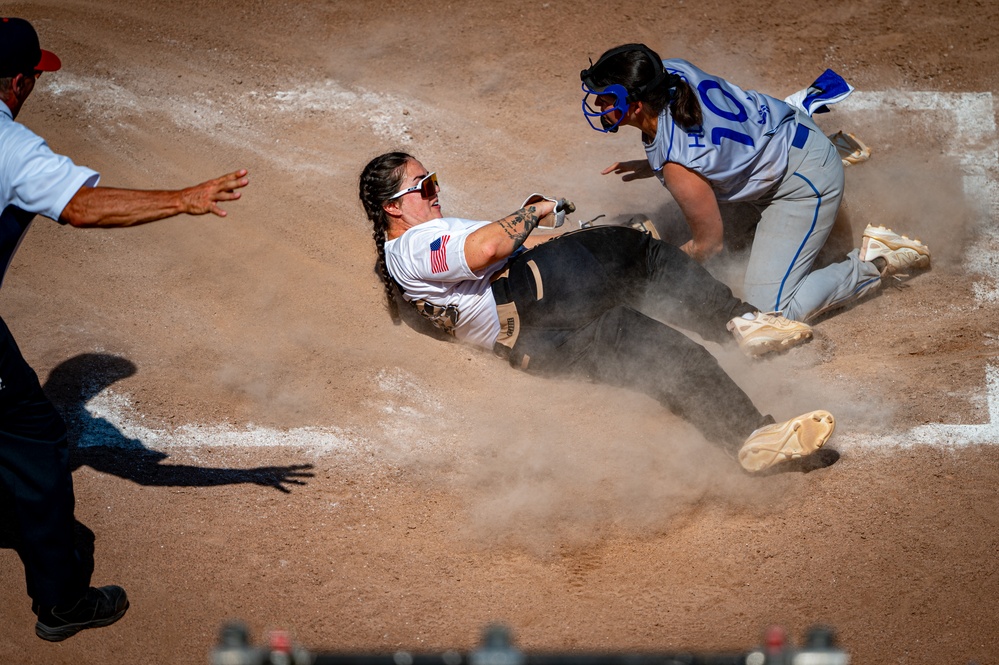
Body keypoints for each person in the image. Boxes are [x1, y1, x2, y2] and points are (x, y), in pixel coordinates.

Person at [358, 151, 838, 480]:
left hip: (539, 345)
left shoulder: (406, 263)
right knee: (641, 253)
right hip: (538, 294)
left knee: (665, 360)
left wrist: (549, 233)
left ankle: (753, 440)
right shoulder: (416, 245)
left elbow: (487, 265)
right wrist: (535, 212)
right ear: (393, 207)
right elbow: (487, 248)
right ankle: (740, 321)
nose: (435, 191)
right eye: (425, 185)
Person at [1, 17, 249, 641]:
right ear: (21, 81)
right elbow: (81, 207)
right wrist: (183, 198)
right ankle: (63, 603)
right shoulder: (7, 145)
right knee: (36, 448)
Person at [579, 43, 931, 322]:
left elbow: (708, 246)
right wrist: (656, 163)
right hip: (786, 129)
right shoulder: (671, 73)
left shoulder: (677, 163)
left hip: (800, 183)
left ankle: (876, 261)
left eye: (606, 97)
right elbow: (703, 141)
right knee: (706, 229)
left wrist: (655, 275)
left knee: (769, 313)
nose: (597, 103)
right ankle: (829, 150)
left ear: (636, 105)